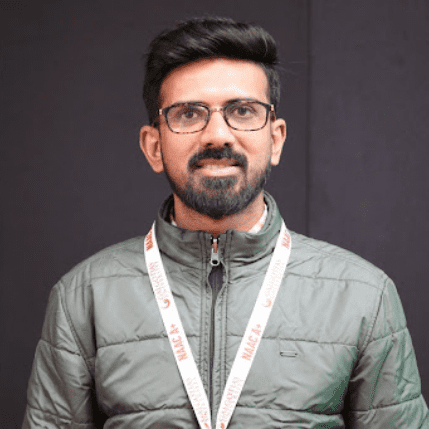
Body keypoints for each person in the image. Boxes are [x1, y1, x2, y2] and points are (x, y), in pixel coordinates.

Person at [23, 16, 428, 429]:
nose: (217, 135)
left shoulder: (363, 297)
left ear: (276, 140)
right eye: (188, 114)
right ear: (154, 146)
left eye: (243, 111)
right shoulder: (83, 298)